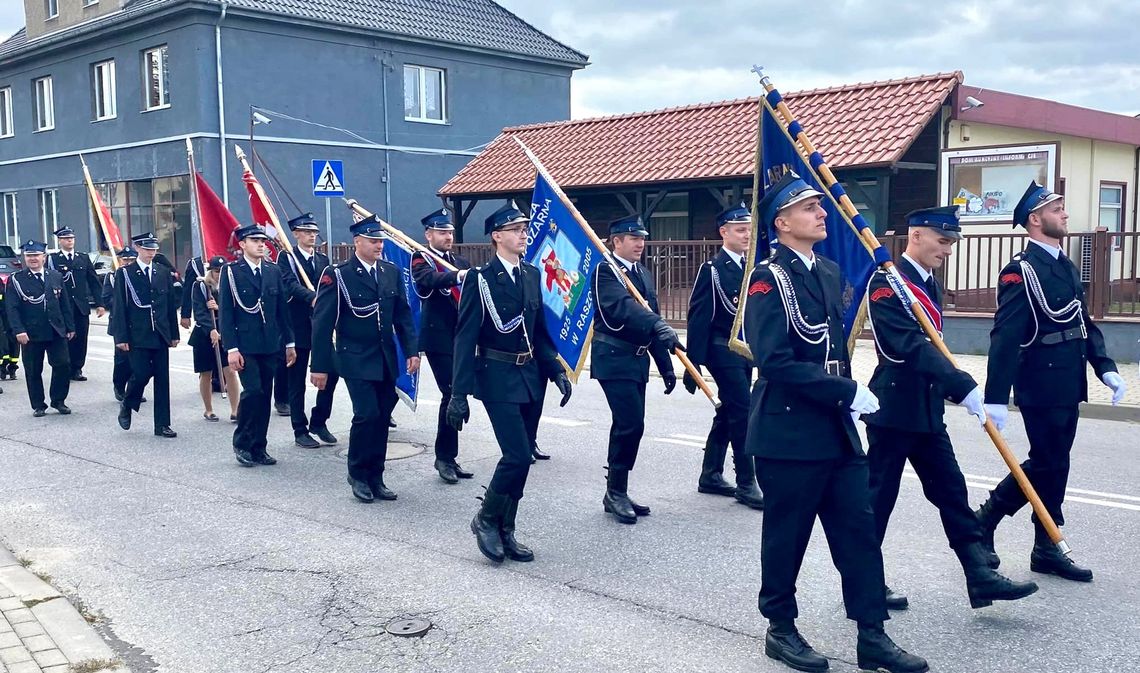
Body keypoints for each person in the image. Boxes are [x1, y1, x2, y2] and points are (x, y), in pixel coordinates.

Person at [744, 172, 926, 673]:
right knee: (787, 539)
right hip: (788, 431)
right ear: (781, 222)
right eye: (809, 208)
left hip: (836, 431)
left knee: (858, 534)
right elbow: (775, 361)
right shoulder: (767, 278)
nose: (822, 214)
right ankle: (780, 629)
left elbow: (832, 347)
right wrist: (845, 390)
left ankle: (873, 636)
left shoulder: (825, 269)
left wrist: (846, 393)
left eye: (821, 207)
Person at [864, 206, 1038, 611]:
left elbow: (932, 346)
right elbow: (904, 345)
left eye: (952, 243)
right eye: (943, 241)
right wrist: (962, 385)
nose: (948, 250)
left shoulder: (930, 285)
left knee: (952, 493)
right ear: (917, 235)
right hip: (894, 408)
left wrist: (952, 388)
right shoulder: (887, 283)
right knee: (877, 501)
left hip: (926, 410)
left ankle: (979, 577)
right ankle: (865, 582)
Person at [976, 181, 1125, 583]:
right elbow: (1006, 336)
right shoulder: (1020, 271)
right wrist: (995, 397)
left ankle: (1045, 545)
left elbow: (1081, 322)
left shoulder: (1064, 264)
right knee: (1047, 462)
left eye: (1061, 207)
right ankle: (987, 520)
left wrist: (1105, 366)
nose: (1065, 214)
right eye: (1056, 209)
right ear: (1035, 219)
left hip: (1069, 379)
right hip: (1039, 380)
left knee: (1056, 464)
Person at [448, 202, 572, 563]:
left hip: (531, 376)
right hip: (497, 376)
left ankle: (507, 527)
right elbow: (465, 338)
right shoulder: (480, 280)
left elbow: (539, 332)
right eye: (515, 229)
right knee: (516, 455)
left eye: (524, 228)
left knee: (523, 460)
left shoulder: (531, 274)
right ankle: (485, 519)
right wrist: (459, 393)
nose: (523, 234)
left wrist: (555, 369)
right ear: (497, 236)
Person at [311, 215, 418, 501]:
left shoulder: (390, 272)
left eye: (380, 240)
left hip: (385, 357)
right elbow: (322, 323)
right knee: (367, 414)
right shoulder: (339, 274)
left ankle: (376, 475)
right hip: (355, 357)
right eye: (373, 240)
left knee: (382, 417)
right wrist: (319, 366)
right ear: (357, 242)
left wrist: (411, 350)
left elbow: (402, 315)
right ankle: (357, 473)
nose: (379, 245)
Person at [590, 214, 680, 524]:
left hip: (637, 360)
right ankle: (615, 493)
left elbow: (649, 315)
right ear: (616, 241)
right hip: (614, 358)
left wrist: (665, 365)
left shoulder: (642, 273)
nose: (641, 243)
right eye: (633, 238)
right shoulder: (605, 272)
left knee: (631, 424)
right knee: (630, 423)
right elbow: (622, 308)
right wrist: (657, 323)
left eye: (642, 238)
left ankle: (618, 490)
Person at [683, 203, 764, 510]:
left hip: (743, 352)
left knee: (729, 410)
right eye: (740, 229)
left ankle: (710, 474)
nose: (746, 235)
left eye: (748, 229)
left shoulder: (751, 268)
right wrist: (694, 365)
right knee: (743, 412)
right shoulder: (713, 270)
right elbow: (698, 317)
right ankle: (746, 482)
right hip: (720, 349)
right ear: (724, 232)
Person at [219, 225, 297, 467]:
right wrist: (231, 348)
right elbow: (226, 313)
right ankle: (242, 442)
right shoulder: (232, 272)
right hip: (245, 345)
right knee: (252, 392)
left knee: (265, 396)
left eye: (263, 240)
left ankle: (259, 446)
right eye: (254, 240)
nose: (261, 244)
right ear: (242, 245)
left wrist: (290, 342)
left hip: (270, 344)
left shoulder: (273, 271)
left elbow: (283, 311)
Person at [411, 208, 474, 483]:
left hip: (461, 338)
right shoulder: (421, 258)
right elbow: (427, 281)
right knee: (450, 393)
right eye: (441, 232)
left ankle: (451, 456)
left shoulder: (459, 260)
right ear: (429, 234)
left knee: (458, 395)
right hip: (438, 339)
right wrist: (457, 276)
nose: (448, 236)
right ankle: (443, 457)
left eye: (449, 232)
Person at [277, 213, 339, 448]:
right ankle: (299, 429)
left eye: (314, 232)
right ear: (295, 234)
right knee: (297, 380)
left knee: (331, 372)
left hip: (322, 326)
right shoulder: (287, 258)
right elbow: (289, 284)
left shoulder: (322, 260)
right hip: (298, 325)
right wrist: (312, 298)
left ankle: (319, 420)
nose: (312, 236)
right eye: (306, 232)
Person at [110, 233, 179, 437]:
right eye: (147, 248)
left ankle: (162, 424)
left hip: (160, 333)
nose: (151, 252)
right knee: (140, 373)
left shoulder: (162, 272)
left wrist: (173, 334)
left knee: (162, 379)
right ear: (138, 248)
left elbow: (169, 306)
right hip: (137, 333)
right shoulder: (125, 274)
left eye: (154, 248)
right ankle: (128, 403)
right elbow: (120, 307)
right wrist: (120, 337)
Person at [3, 240, 74, 416]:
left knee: (63, 365)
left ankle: (58, 400)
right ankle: (38, 405)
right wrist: (18, 330)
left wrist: (70, 327)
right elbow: (11, 308)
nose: (33, 258)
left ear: (44, 257)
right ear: (24, 257)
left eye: (36, 255)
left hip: (56, 330)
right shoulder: (16, 279)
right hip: (31, 332)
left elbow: (64, 304)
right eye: (29, 255)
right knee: (33, 369)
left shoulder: (55, 276)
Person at [47, 226, 103, 381]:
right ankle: (65, 367)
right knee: (64, 337)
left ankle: (77, 368)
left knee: (80, 338)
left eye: (71, 238)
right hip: (61, 306)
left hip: (80, 306)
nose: (69, 241)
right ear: (59, 241)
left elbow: (93, 281)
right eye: (66, 238)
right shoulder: (53, 259)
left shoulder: (83, 258)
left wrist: (100, 303)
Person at [190, 256, 240, 422]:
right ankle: (209, 409)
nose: (219, 274)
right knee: (206, 373)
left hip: (224, 332)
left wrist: (218, 307)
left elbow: (235, 308)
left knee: (230, 372)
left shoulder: (230, 285)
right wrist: (210, 329)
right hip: (204, 334)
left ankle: (235, 409)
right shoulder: (201, 286)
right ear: (210, 270)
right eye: (216, 271)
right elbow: (199, 311)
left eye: (222, 271)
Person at [101, 247, 138, 402]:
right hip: (119, 323)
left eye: (131, 260)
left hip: (137, 323)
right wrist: (121, 303)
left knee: (136, 358)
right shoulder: (112, 276)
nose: (128, 262)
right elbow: (106, 297)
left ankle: (133, 388)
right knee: (122, 358)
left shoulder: (138, 276)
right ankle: (119, 387)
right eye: (125, 260)